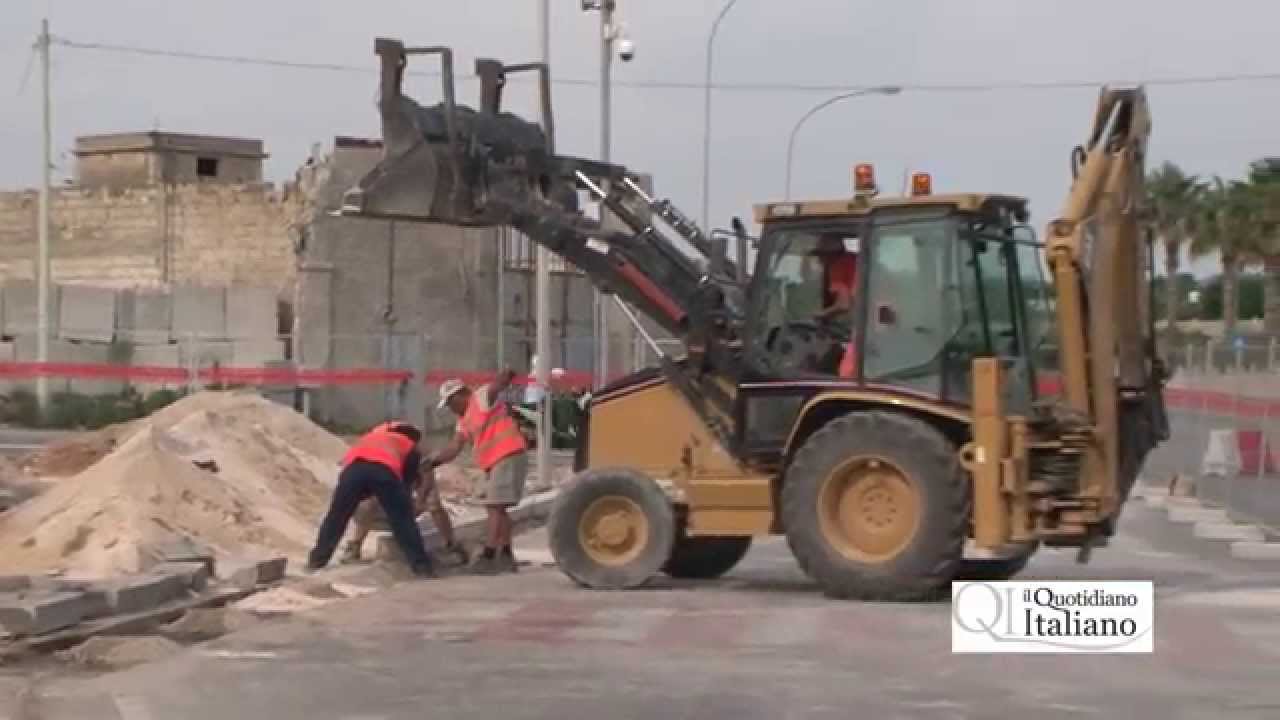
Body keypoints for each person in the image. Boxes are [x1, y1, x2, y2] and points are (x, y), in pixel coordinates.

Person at [429, 369, 529, 574]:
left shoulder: (481, 397)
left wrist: (506, 374)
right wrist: (433, 462)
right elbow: (454, 448)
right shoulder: (463, 421)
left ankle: (490, 555)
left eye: (450, 403)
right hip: (494, 463)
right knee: (498, 509)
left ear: (460, 394)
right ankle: (506, 555)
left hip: (508, 454)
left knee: (494, 506)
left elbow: (496, 386)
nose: (450, 408)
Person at [305, 421, 436, 577]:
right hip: (384, 472)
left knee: (336, 517)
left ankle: (317, 560)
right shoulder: (409, 446)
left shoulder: (369, 438)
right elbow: (404, 486)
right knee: (403, 519)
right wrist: (407, 506)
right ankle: (421, 567)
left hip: (352, 471)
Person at [338, 459, 468, 567]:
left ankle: (451, 545)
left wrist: (420, 501)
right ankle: (355, 545)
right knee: (366, 505)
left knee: (434, 505)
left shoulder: (418, 460)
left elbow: (428, 484)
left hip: (409, 503)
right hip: (385, 506)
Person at [813, 234, 860, 377]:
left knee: (846, 374)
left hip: (865, 326)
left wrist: (821, 315)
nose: (820, 261)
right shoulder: (856, 260)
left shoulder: (838, 266)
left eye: (821, 256)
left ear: (830, 255)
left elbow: (844, 305)